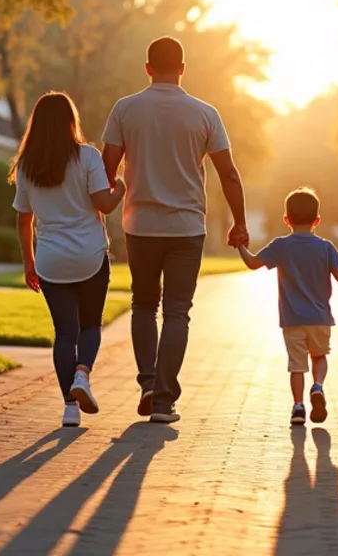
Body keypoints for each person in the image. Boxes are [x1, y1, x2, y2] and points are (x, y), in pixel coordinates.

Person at [102, 36, 248, 424]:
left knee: (143, 304)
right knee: (177, 312)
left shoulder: (125, 109)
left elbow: (106, 169)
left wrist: (104, 204)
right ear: (183, 68)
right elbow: (229, 174)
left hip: (140, 225)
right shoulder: (205, 113)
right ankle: (164, 401)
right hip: (186, 227)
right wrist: (239, 222)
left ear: (147, 68)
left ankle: (148, 384)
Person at [12, 92, 126, 428]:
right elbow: (104, 204)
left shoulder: (27, 166)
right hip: (90, 256)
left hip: (51, 260)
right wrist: (120, 187)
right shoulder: (87, 156)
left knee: (64, 333)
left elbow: (23, 220)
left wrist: (29, 263)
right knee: (90, 325)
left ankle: (69, 409)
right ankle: (82, 375)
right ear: (70, 121)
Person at [235, 188, 338, 426]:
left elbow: (252, 263)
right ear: (317, 220)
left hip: (292, 319)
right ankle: (318, 386)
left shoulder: (281, 246)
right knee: (319, 356)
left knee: (297, 366)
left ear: (286, 219)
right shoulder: (325, 247)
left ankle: (298, 406)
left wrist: (240, 245)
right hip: (320, 318)